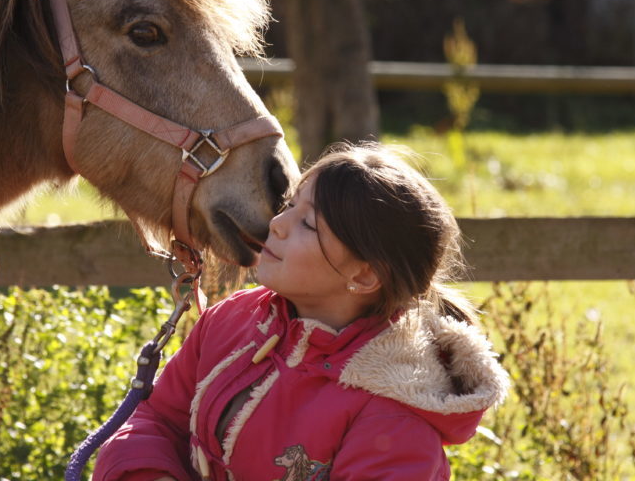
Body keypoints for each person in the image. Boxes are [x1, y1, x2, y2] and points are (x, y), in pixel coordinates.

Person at [92, 141, 509, 481]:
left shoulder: (393, 413)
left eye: (308, 224)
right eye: (290, 204)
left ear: (364, 277)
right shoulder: (233, 321)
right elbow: (156, 419)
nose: (277, 224)